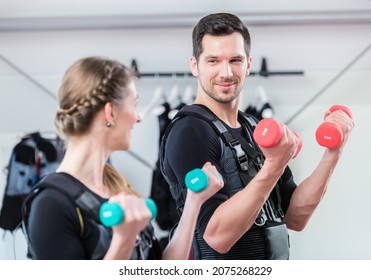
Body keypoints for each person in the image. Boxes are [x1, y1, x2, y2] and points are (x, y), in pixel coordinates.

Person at [160, 13, 355, 259]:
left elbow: (295, 217)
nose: (226, 72)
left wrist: (332, 153)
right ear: (194, 65)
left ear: (248, 64)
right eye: (213, 61)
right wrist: (273, 166)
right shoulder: (189, 131)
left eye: (235, 60)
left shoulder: (254, 126)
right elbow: (216, 237)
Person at [22, 56, 223, 260]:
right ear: (110, 112)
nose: (138, 117)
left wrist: (193, 202)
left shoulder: (117, 187)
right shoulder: (50, 206)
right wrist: (124, 239)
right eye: (134, 104)